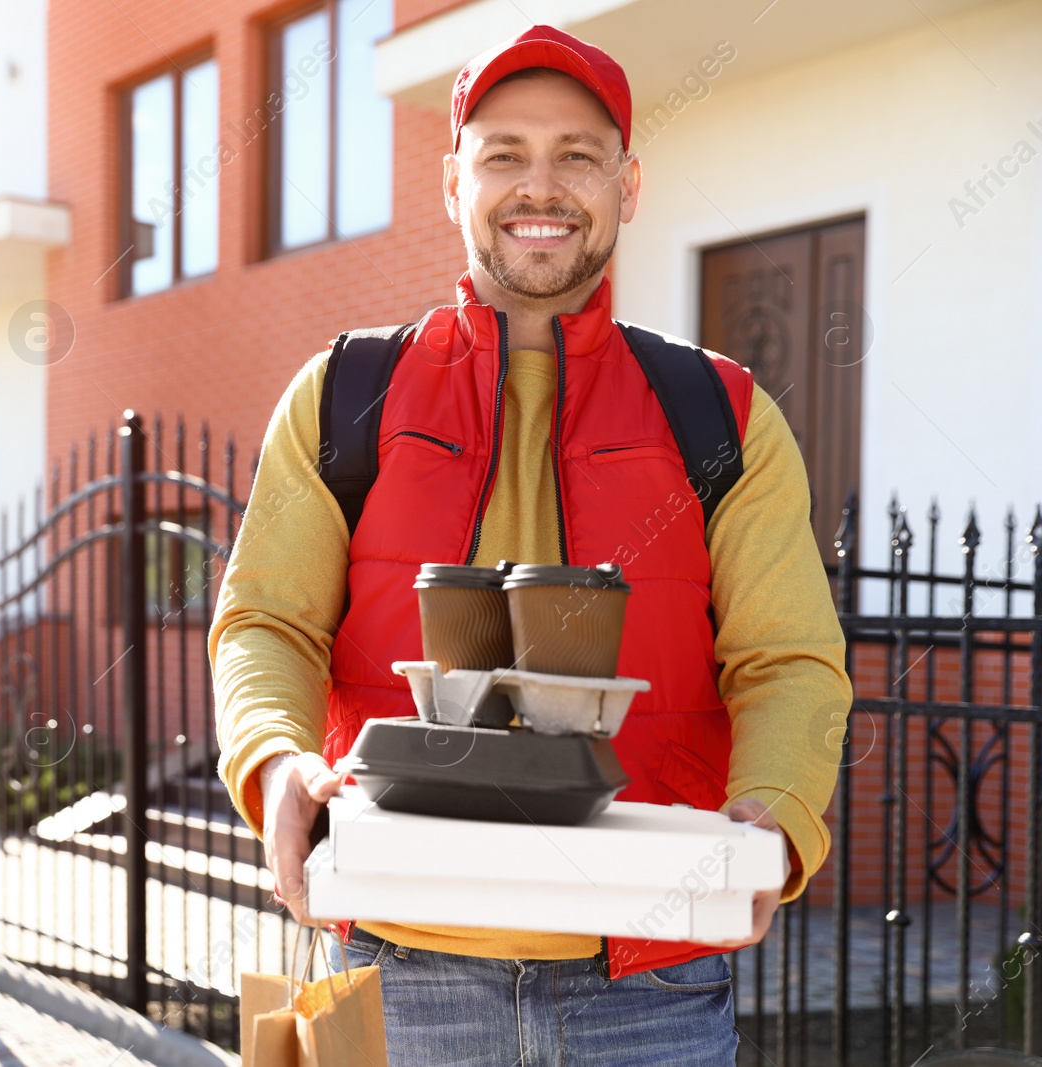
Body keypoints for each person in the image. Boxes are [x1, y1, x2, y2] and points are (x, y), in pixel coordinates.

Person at [209, 22, 853, 1067]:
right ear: (452, 181)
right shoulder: (344, 395)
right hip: (393, 972)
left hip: (651, 986)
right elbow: (264, 622)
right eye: (503, 153)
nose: (538, 187)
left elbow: (788, 660)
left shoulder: (721, 414)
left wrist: (774, 815)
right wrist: (274, 761)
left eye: (577, 156)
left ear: (628, 184)